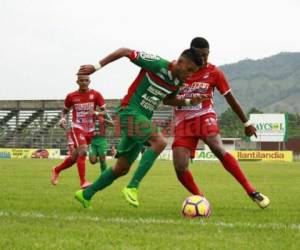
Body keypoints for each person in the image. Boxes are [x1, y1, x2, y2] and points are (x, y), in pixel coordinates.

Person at [74, 47, 207, 209]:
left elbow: (168, 100)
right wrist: (96, 66)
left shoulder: (178, 81)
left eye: (193, 72)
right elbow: (124, 51)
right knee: (160, 142)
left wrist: (188, 102)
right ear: (180, 62)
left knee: (121, 168)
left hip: (141, 119)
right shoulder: (157, 64)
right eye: (189, 70)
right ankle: (132, 187)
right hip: (128, 111)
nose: (190, 75)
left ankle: (85, 194)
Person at [165, 37, 270, 209]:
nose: (204, 59)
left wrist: (246, 122)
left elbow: (230, 98)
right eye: (200, 55)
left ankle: (252, 191)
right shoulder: (179, 70)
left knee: (217, 147)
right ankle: (201, 200)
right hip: (183, 123)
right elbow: (166, 98)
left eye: (206, 55)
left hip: (204, 115)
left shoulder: (214, 73)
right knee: (180, 166)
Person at [51, 75, 106, 188]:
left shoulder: (96, 94)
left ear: (89, 81)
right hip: (77, 127)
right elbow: (65, 110)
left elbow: (105, 112)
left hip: (90, 129)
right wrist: (62, 118)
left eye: (86, 80)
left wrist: (95, 113)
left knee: (75, 156)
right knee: (83, 151)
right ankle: (83, 182)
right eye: (81, 80)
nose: (84, 82)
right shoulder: (71, 96)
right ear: (77, 82)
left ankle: (57, 170)